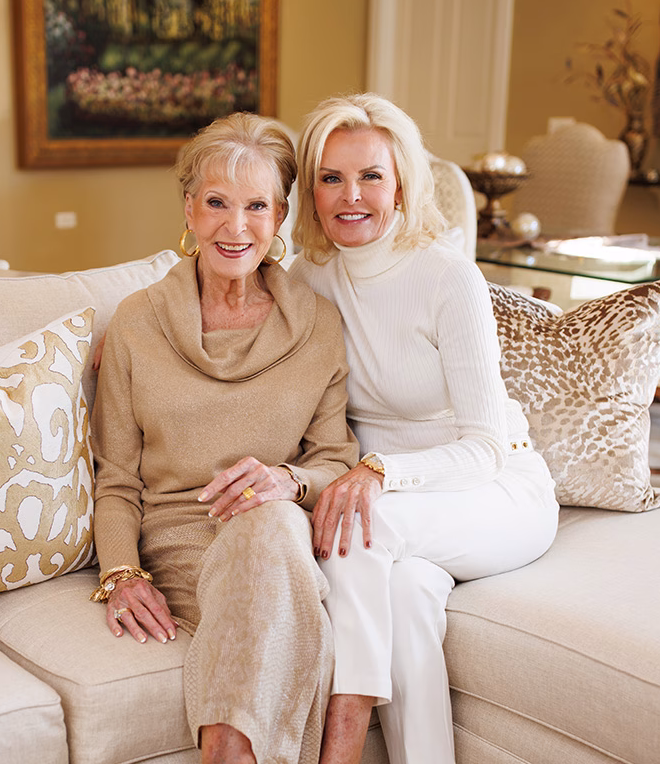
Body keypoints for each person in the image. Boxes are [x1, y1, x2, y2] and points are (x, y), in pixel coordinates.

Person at [288, 93, 560, 764]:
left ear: (402, 184)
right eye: (331, 178)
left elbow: (486, 447)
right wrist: (133, 337)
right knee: (406, 598)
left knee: (354, 528)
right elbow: (240, 326)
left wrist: (379, 470)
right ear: (312, 192)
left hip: (496, 490)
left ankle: (342, 736)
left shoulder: (448, 277)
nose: (351, 195)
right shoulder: (311, 275)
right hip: (405, 506)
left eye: (370, 176)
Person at [90, 112, 359, 764]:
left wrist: (288, 481)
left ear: (281, 216)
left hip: (280, 534)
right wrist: (120, 572)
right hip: (183, 541)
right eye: (217, 203)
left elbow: (333, 458)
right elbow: (116, 480)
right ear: (189, 207)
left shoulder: (318, 324)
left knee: (269, 520)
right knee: (279, 580)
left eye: (256, 206)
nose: (235, 227)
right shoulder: (136, 324)